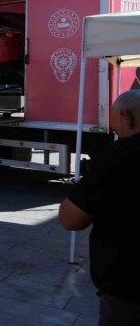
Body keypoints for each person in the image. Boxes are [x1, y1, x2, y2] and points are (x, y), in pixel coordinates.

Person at [59, 90, 140, 324]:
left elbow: (70, 219)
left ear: (126, 117)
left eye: (116, 131)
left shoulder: (121, 154)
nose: (117, 135)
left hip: (129, 294)